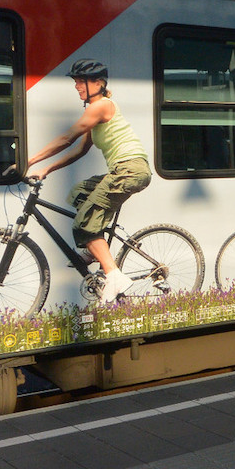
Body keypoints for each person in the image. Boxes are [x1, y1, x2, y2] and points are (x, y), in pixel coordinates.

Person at [27, 59, 151, 302]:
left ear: (98, 83)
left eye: (80, 82)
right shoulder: (93, 112)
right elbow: (79, 151)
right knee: (79, 192)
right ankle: (94, 250)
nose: (76, 87)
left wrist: (29, 161)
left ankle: (114, 275)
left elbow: (67, 138)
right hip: (122, 170)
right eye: (75, 82)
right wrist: (47, 169)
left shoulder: (102, 106)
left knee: (83, 225)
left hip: (130, 170)